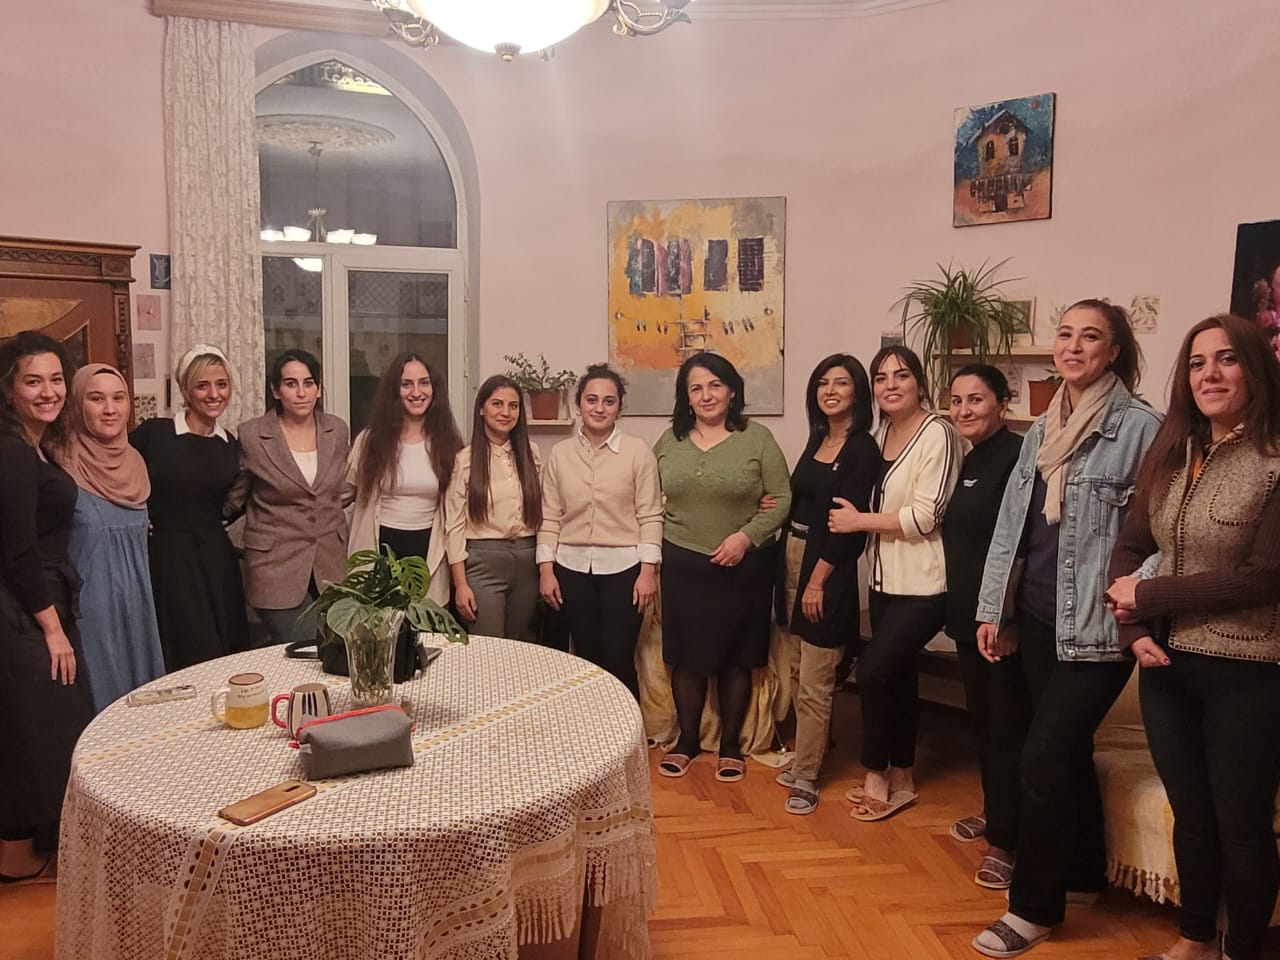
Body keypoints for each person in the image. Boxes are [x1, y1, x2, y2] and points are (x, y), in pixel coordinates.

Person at [971, 300, 1161, 958]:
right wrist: (995, 609)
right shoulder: (1043, 426)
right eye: (1065, 334)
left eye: (1091, 337)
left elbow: (1164, 532)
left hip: (1098, 629)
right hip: (1037, 616)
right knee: (1069, 753)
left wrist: (1135, 592)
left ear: (1114, 352)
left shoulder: (1142, 429)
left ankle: (1033, 909)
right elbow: (1015, 526)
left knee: (1043, 758)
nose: (1074, 346)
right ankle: (1081, 874)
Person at [1107, 314, 1280, 960]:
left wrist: (1149, 598)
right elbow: (1130, 546)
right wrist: (1132, 630)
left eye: (1227, 360)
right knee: (1193, 816)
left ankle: (1243, 950)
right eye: (1198, 362)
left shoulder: (1275, 460)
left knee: (1243, 828)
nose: (1210, 374)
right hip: (1166, 667)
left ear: (1256, 370)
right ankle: (1196, 938)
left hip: (1250, 672)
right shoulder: (1173, 450)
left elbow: (1264, 578)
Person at [828, 346, 962, 821]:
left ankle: (875, 773)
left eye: (901, 375)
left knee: (871, 672)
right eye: (881, 377)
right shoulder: (881, 433)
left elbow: (926, 517)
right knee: (900, 677)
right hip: (885, 581)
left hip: (926, 585)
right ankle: (903, 774)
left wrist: (859, 521)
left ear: (919, 383)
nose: (890, 385)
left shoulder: (939, 432)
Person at [652, 353, 791, 782]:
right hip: (682, 564)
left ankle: (731, 745)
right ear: (686, 396)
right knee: (686, 658)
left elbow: (782, 499)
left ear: (732, 391)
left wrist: (745, 537)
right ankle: (688, 741)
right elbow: (645, 497)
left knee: (736, 659)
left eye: (715, 385)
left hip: (743, 567)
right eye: (696, 388)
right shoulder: (669, 441)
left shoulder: (758, 438)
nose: (706, 395)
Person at [0, 332, 93, 882]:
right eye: (33, 381)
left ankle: (34, 845)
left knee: (47, 726)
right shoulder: (12, 451)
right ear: (8, 388)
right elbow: (17, 552)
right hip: (23, 609)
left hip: (41, 599)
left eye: (56, 379)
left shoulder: (34, 445)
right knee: (32, 731)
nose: (48, 391)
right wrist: (52, 629)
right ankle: (14, 858)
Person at [773, 354, 878, 815]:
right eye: (822, 383)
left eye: (841, 383)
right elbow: (805, 500)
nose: (830, 391)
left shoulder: (861, 449)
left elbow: (846, 528)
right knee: (798, 668)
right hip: (791, 557)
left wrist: (816, 582)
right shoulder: (819, 438)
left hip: (825, 570)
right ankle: (808, 752)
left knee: (817, 676)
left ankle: (807, 777)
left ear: (858, 392)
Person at [939, 364, 1026, 887]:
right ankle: (997, 815)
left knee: (1006, 731)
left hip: (999, 624)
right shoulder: (972, 457)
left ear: (1002, 403)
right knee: (984, 727)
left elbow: (1021, 545)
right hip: (967, 620)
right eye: (957, 400)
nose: (964, 409)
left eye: (976, 399)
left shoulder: (1018, 457)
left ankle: (1006, 843)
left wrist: (1007, 619)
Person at [537, 364, 663, 698]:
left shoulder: (638, 452)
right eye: (591, 400)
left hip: (625, 570)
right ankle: (591, 729)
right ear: (578, 405)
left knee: (619, 660)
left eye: (609, 401)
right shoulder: (560, 454)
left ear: (619, 408)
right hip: (571, 569)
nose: (599, 408)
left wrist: (647, 572)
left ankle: (627, 730)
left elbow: (650, 515)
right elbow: (550, 516)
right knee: (585, 662)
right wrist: (546, 571)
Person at [131, 345, 247, 669]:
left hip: (214, 558)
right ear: (185, 390)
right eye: (202, 385)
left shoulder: (230, 444)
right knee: (182, 646)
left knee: (221, 650)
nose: (214, 394)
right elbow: (119, 473)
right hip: (167, 557)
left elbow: (237, 499)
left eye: (221, 384)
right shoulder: (156, 433)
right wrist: (139, 518)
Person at [227, 349, 351, 646]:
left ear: (318, 388)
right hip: (275, 565)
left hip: (329, 565)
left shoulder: (336, 431)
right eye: (291, 384)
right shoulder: (252, 435)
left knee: (333, 650)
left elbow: (340, 488)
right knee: (304, 647)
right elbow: (235, 496)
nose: (301, 393)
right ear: (276, 390)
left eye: (308, 383)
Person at [66, 363, 164, 712]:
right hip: (90, 609)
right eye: (96, 399)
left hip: (137, 603)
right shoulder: (59, 462)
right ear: (77, 405)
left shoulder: (136, 461)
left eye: (118, 398)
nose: (110, 409)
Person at [345, 353, 462, 607]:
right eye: (406, 384)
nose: (416, 392)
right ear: (394, 391)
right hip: (380, 547)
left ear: (435, 389)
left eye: (424, 383)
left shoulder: (449, 444)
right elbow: (343, 496)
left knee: (422, 625)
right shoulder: (369, 441)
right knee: (381, 626)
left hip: (427, 550)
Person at [444, 374, 542, 640]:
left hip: (527, 561)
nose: (506, 412)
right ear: (481, 409)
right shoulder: (464, 460)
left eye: (513, 406)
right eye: (497, 404)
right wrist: (460, 584)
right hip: (483, 563)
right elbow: (454, 525)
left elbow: (544, 514)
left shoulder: (532, 454)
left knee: (520, 645)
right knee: (489, 646)